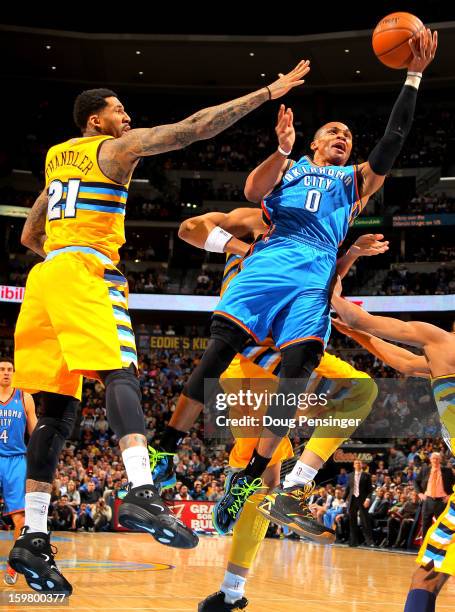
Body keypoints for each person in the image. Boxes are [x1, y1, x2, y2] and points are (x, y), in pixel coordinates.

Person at [9, 60, 310, 596]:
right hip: (84, 271)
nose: (128, 118)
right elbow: (194, 128)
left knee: (57, 411)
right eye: (118, 111)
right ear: (95, 121)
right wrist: (268, 92)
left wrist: (65, 247)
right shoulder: (113, 150)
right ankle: (143, 491)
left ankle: (33, 536)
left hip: (44, 276)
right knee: (121, 374)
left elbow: (32, 234)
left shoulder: (57, 161)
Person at [152, 29, 437, 534]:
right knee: (223, 364)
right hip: (263, 291)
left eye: (348, 133)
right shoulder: (279, 188)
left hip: (308, 285)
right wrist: (278, 157)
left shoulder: (354, 185)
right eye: (332, 129)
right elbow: (225, 206)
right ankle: (170, 455)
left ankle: (271, 483)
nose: (342, 136)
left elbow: (393, 140)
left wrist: (412, 76)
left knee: (320, 382)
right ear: (312, 141)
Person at [176, 209, 381, 611]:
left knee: (362, 388)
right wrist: (241, 247)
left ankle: (296, 484)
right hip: (248, 354)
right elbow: (192, 228)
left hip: (295, 348)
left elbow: (329, 285)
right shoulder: (254, 223)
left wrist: (353, 252)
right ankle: (232, 589)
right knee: (262, 475)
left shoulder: (317, 234)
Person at [330, 274, 455, 612]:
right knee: (427, 575)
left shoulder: (443, 342)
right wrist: (360, 335)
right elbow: (402, 362)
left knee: (426, 577)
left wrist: (331, 284)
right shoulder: (441, 356)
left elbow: (354, 315)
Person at [0, 359, 37, 585]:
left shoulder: (24, 397)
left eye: (9, 370)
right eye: (1, 370)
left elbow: (36, 432)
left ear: (15, 373)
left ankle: (13, 565)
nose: (5, 373)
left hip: (16, 459)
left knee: (20, 517)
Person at [415, 452, 455, 537]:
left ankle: (440, 548)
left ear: (440, 460)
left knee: (441, 526)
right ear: (430, 460)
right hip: (428, 501)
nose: (435, 460)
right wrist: (420, 493)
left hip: (442, 502)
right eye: (433, 458)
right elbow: (416, 481)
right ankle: (424, 547)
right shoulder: (425, 470)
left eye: (437, 458)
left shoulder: (447, 471)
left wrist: (450, 496)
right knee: (425, 525)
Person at [344, 460, 374, 547]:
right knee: (352, 521)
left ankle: (369, 542)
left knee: (365, 520)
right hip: (352, 499)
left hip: (362, 500)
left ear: (362, 465)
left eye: (359, 463)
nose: (358, 464)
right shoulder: (350, 475)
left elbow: (370, 490)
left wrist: (368, 499)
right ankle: (353, 541)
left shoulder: (367, 475)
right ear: (354, 465)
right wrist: (343, 499)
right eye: (356, 463)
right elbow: (348, 488)